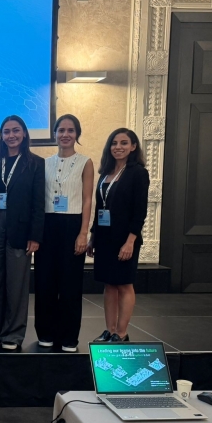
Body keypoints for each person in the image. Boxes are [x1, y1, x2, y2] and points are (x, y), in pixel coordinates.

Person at [0, 115, 45, 350]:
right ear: (1, 135)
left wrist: (35, 236)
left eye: (16, 131)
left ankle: (13, 334)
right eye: (6, 132)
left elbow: (39, 202)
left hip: (20, 230)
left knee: (16, 284)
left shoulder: (36, 163)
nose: (11, 135)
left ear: (24, 133)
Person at [34, 114, 94, 352]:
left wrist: (83, 233)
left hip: (72, 225)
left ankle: (69, 337)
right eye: (61, 130)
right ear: (55, 134)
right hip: (47, 225)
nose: (65, 134)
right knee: (45, 282)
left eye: (70, 130)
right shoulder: (44, 163)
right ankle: (46, 332)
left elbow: (87, 200)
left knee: (70, 285)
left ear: (77, 134)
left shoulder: (85, 162)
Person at [87, 128, 149, 343]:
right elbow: (100, 208)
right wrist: (93, 236)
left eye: (124, 143)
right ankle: (110, 330)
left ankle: (121, 333)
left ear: (133, 146)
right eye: (114, 143)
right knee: (109, 284)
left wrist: (130, 241)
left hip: (125, 239)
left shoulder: (138, 173)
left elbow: (140, 211)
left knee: (124, 284)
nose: (118, 147)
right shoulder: (105, 173)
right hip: (105, 238)